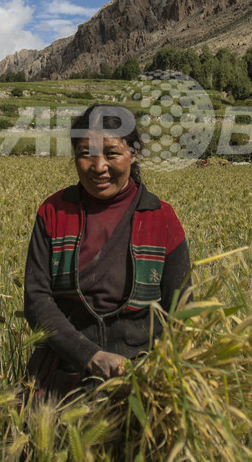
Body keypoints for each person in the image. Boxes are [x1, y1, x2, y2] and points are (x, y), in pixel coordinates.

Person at [23, 104, 191, 402]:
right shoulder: (53, 212)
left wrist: (154, 373)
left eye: (111, 154)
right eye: (86, 153)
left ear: (133, 153)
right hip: (63, 373)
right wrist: (90, 356)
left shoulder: (161, 219)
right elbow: (37, 299)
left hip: (142, 379)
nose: (98, 166)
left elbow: (182, 311)